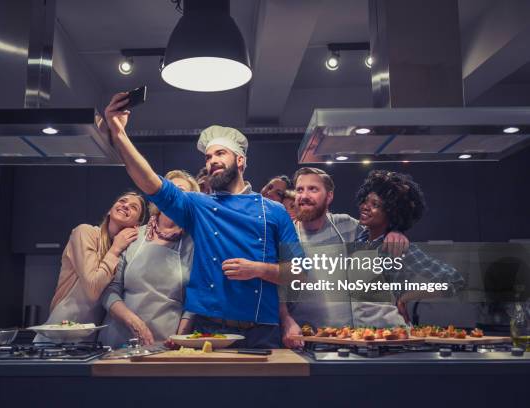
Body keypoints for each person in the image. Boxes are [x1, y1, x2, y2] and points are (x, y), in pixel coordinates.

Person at [104, 91, 303, 348]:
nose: (212, 162)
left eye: (220, 153)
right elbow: (150, 182)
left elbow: (299, 274)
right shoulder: (199, 206)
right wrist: (119, 134)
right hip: (207, 330)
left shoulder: (273, 210)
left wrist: (258, 269)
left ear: (240, 160)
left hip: (261, 333)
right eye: (208, 157)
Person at [280, 167, 411, 348]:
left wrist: (395, 231)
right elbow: (277, 290)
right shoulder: (287, 235)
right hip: (308, 341)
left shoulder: (347, 226)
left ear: (329, 197)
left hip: (350, 341)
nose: (303, 196)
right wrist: (287, 321)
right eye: (300, 190)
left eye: (313, 189)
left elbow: (378, 231)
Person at [99, 171, 199, 347]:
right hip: (119, 339)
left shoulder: (193, 244)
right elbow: (109, 291)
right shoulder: (133, 236)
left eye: (181, 192)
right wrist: (133, 322)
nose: (174, 195)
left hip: (165, 343)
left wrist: (180, 337)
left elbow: (194, 300)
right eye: (169, 190)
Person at [35, 192, 147, 342]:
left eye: (133, 207)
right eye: (122, 201)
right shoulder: (85, 232)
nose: (125, 205)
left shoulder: (126, 253)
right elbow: (92, 289)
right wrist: (115, 248)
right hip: (57, 336)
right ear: (109, 210)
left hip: (90, 342)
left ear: (137, 225)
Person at [354, 170, 465, 315]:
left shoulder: (399, 248)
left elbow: (455, 281)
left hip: (387, 329)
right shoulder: (359, 238)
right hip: (356, 330)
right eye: (365, 201)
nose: (365, 206)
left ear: (392, 212)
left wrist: (405, 298)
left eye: (375, 204)